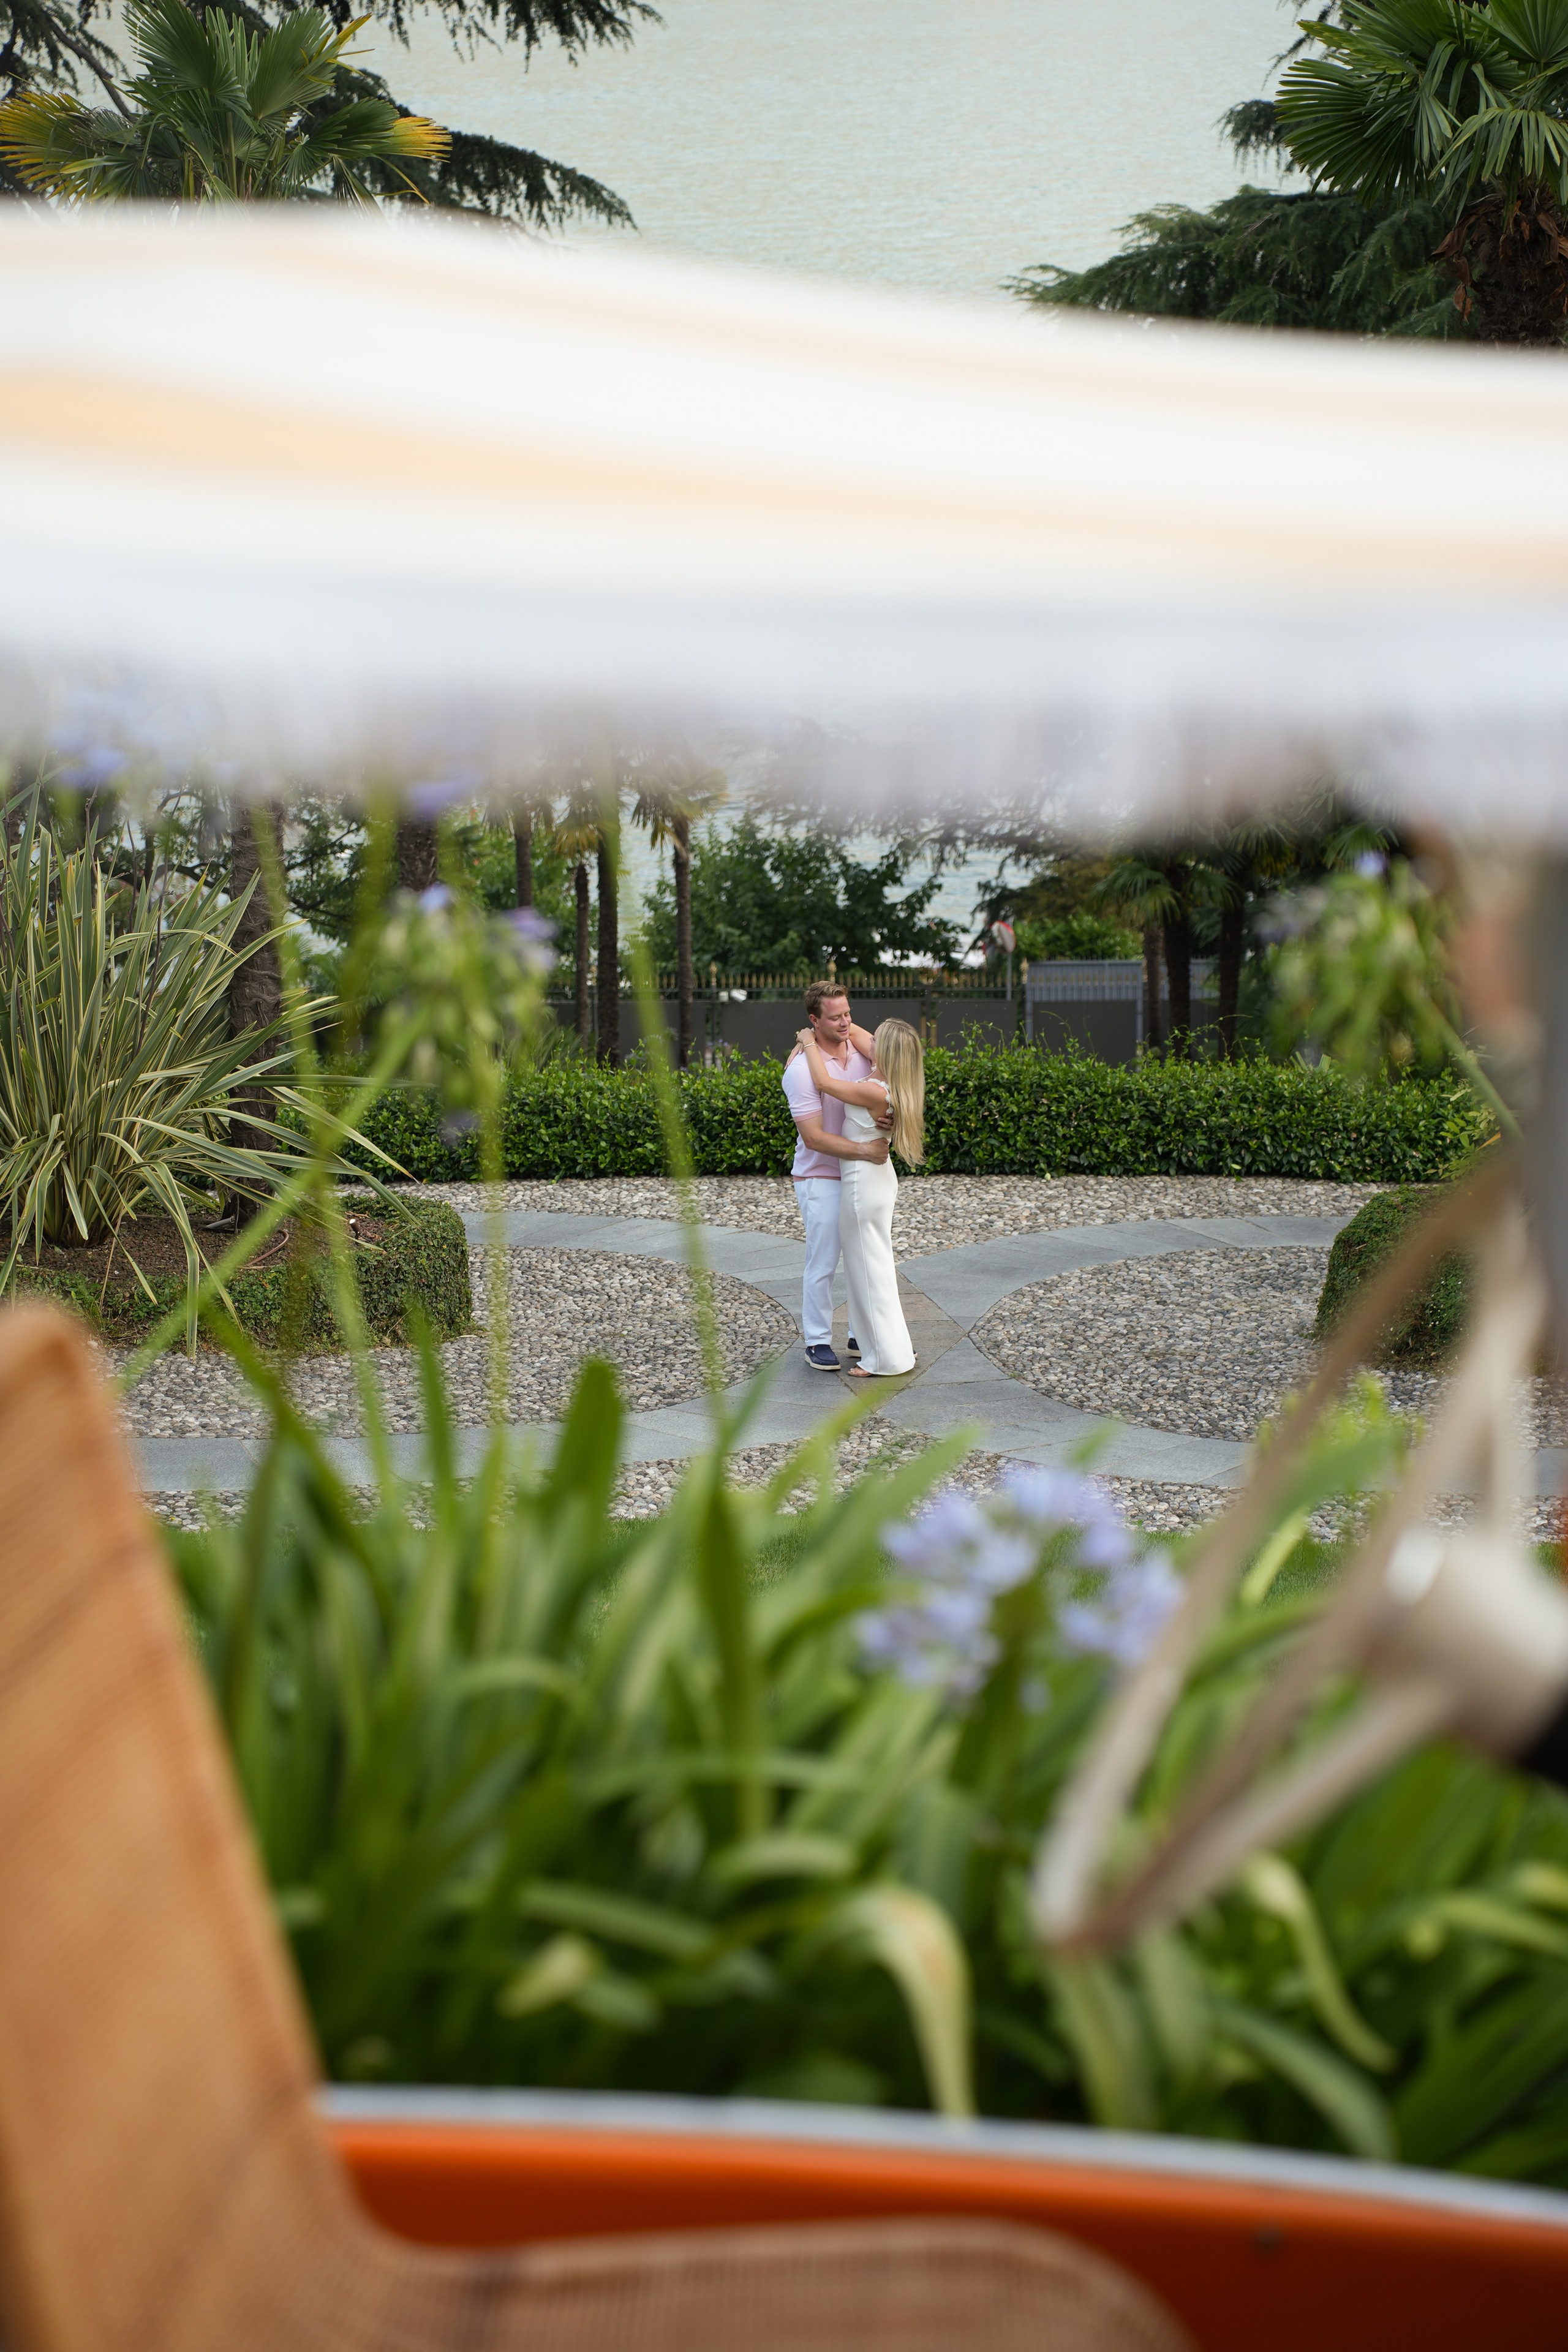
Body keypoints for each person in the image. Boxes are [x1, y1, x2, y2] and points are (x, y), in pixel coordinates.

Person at [794, 1015, 924, 1378]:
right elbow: (852, 1031)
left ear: (887, 1051)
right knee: (871, 1268)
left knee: (867, 1271)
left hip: (861, 1185)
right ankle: (881, 1346)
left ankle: (881, 1358)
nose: (865, 1037)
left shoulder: (873, 1089)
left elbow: (822, 1081)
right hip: (874, 1180)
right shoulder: (890, 1083)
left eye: (877, 1037)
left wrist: (806, 1040)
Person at [780, 982, 891, 1371]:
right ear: (814, 1021)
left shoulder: (864, 1053)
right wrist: (865, 1150)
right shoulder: (800, 1070)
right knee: (824, 1259)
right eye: (835, 1017)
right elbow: (813, 1138)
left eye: (848, 1014)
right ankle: (817, 1340)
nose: (845, 1022)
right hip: (821, 1175)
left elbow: (890, 1073)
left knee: (863, 1258)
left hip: (860, 1175)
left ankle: (861, 1333)